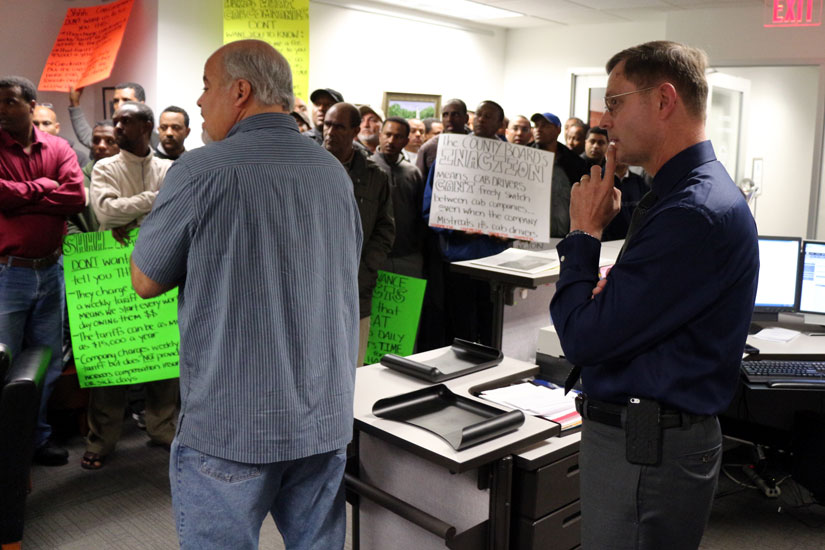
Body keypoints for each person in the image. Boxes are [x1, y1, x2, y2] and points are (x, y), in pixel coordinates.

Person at [130, 40, 362, 550]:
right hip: (321, 415)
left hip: (232, 422)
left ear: (240, 91)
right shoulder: (332, 173)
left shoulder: (199, 171)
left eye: (207, 86)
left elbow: (145, 280)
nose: (198, 100)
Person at [549, 41, 759, 550]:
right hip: (648, 440)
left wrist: (582, 234)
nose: (604, 119)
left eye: (617, 102)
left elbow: (582, 337)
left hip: (646, 449)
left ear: (663, 101)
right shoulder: (684, 196)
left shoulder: (692, 212)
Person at [85, 102, 177, 470]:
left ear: (148, 126)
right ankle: (101, 440)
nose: (118, 126)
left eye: (127, 120)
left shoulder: (168, 168)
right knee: (111, 363)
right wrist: (153, 202)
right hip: (114, 277)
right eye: (116, 120)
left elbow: (177, 212)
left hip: (162, 272)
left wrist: (133, 212)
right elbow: (106, 213)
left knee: (163, 359)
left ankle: (162, 429)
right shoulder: (105, 167)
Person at [0, 76, 85, 466]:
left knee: (47, 362)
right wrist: (43, 188)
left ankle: (36, 437)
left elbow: (75, 196)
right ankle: (8, 446)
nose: (1, 109)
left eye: (9, 102)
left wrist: (22, 194)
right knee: (6, 361)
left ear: (31, 105)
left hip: (51, 272)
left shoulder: (59, 147)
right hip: (8, 274)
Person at [421, 100, 511, 347]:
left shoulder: (514, 161)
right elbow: (430, 208)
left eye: (488, 116)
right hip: (460, 257)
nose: (481, 119)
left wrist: (512, 232)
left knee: (493, 326)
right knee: (460, 326)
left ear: (500, 123)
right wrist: (456, 228)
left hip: (497, 260)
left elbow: (522, 208)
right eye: (479, 115)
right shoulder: (450, 155)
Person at [323, 102, 395, 366]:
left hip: (356, 289)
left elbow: (385, 229)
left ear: (355, 131)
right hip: (313, 285)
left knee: (352, 366)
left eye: (339, 127)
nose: (330, 132)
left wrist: (366, 268)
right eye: (327, 125)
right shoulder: (307, 168)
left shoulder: (375, 176)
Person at [372, 116, 425, 278]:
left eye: (398, 136)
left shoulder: (413, 172)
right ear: (380, 135)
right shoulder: (367, 168)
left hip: (407, 255)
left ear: (405, 141)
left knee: (406, 302)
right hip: (374, 254)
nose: (391, 140)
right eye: (387, 135)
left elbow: (419, 213)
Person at [531, 112, 587, 237]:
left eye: (544, 125)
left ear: (558, 130)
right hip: (530, 233)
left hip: (563, 234)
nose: (538, 129)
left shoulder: (574, 162)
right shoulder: (522, 157)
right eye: (536, 125)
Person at [69, 82, 159, 149]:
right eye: (116, 101)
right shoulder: (109, 128)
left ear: (141, 104)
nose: (119, 105)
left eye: (126, 100)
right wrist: (75, 103)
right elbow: (86, 137)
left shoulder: (154, 139)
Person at [415, 99, 469, 177]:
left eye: (455, 115)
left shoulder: (478, 145)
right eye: (445, 115)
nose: (449, 119)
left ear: (466, 118)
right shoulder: (429, 148)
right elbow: (419, 182)